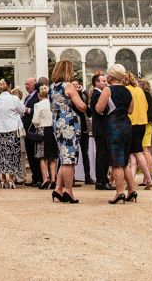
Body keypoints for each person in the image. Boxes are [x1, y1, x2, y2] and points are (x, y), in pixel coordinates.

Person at [95, 64, 137, 204]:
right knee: (124, 161)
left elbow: (99, 108)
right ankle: (132, 190)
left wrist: (105, 109)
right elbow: (130, 110)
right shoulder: (128, 91)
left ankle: (119, 192)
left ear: (111, 76)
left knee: (116, 162)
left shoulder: (108, 90)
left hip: (113, 126)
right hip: (126, 124)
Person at [50, 59, 87, 203]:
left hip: (58, 122)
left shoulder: (53, 87)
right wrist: (80, 95)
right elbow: (82, 106)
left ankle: (58, 189)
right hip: (69, 123)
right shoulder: (68, 85)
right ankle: (69, 191)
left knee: (63, 156)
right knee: (69, 160)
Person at [0, 79, 25, 190]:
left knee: (1, 155)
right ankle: (11, 178)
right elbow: (22, 110)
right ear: (9, 87)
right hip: (12, 129)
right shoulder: (14, 99)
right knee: (12, 154)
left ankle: (3, 178)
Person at [124, 72, 152, 189]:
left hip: (131, 122)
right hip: (142, 123)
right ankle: (131, 181)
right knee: (134, 153)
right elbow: (146, 107)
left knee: (136, 153)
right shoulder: (140, 90)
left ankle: (148, 179)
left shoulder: (126, 90)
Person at [89, 73, 113, 190]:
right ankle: (102, 181)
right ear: (96, 83)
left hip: (102, 128)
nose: (106, 83)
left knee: (102, 155)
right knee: (102, 155)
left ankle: (102, 180)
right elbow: (103, 110)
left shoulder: (99, 94)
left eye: (105, 81)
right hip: (101, 128)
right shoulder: (96, 94)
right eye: (103, 81)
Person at [31, 83, 58, 190]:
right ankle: (53, 179)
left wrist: (36, 124)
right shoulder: (52, 103)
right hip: (52, 130)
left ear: (39, 95)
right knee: (52, 157)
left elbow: (35, 120)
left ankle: (45, 180)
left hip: (42, 130)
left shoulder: (37, 105)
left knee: (42, 157)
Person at [72, 80, 94, 185]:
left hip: (84, 128)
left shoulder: (83, 96)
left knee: (85, 153)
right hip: (74, 128)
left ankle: (87, 176)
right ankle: (71, 177)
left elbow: (88, 112)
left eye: (77, 85)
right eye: (74, 86)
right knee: (72, 154)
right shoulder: (70, 98)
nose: (76, 87)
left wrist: (81, 94)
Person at [21, 76, 41, 187]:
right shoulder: (28, 97)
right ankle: (34, 177)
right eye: (25, 84)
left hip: (33, 129)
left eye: (28, 84)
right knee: (30, 152)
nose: (26, 86)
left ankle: (38, 178)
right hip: (27, 129)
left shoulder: (38, 96)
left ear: (34, 84)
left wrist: (27, 110)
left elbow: (39, 111)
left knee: (35, 154)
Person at [138, 78, 152, 186]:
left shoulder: (144, 94)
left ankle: (148, 177)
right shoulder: (146, 94)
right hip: (146, 124)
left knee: (145, 150)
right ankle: (148, 176)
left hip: (145, 124)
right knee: (145, 150)